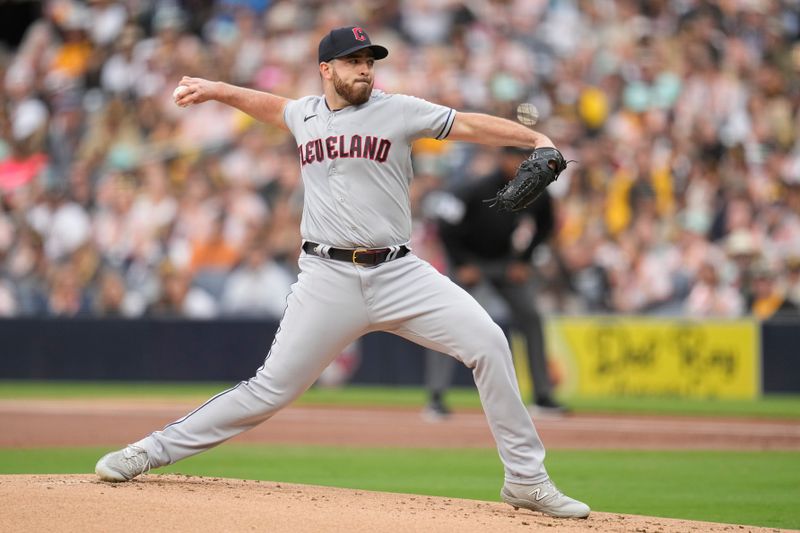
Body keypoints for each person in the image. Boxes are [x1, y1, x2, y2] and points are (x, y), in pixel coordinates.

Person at [94, 26, 590, 519]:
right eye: (354, 61)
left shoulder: (397, 110)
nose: (365, 69)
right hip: (326, 278)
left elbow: (469, 125)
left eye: (370, 61)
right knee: (270, 390)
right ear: (326, 70)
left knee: (489, 342)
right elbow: (269, 106)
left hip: (399, 272)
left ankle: (527, 480)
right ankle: (150, 451)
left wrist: (535, 138)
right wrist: (219, 90)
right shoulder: (303, 113)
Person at [425, 146, 565, 419]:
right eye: (514, 157)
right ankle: (436, 397)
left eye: (523, 159)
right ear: (502, 158)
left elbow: (547, 225)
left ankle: (542, 395)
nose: (518, 164)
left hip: (504, 263)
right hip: (469, 262)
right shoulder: (475, 187)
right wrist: (462, 264)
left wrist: (523, 260)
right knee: (446, 321)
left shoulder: (535, 189)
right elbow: (444, 226)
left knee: (531, 317)